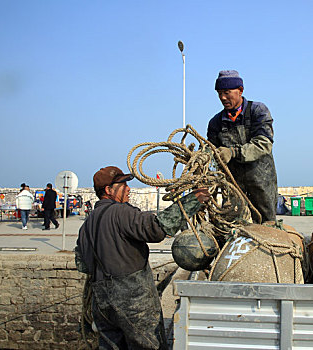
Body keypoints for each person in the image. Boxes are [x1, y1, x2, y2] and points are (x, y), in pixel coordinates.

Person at [75, 166, 211, 349]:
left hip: (101, 304)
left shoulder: (86, 225)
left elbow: (82, 265)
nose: (128, 189)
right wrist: (191, 202)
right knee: (149, 345)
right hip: (132, 301)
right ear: (108, 190)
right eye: (123, 184)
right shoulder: (121, 212)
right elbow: (156, 229)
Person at [207, 70, 278, 223]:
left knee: (267, 224)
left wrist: (232, 152)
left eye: (227, 92)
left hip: (261, 181)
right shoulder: (216, 122)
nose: (223, 98)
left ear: (240, 91)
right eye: (219, 93)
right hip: (233, 184)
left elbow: (263, 143)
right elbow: (210, 150)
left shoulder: (257, 111)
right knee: (231, 225)